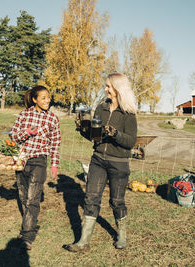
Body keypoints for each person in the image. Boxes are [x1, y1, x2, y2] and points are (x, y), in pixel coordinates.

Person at [67, 72, 138, 252]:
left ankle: (121, 235)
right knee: (91, 198)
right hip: (98, 159)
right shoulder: (101, 108)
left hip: (119, 162)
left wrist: (115, 133)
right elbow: (94, 137)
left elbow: (130, 142)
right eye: (105, 86)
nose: (105, 89)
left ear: (118, 88)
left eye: (108, 86)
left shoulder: (128, 113)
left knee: (116, 201)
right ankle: (83, 241)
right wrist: (83, 128)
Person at [10, 85, 61, 251]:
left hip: (39, 160)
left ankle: (27, 235)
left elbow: (55, 143)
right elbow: (14, 137)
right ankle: (28, 225)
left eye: (48, 97)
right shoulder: (24, 115)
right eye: (43, 97)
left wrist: (54, 164)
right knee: (23, 196)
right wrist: (27, 132)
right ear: (35, 99)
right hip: (21, 160)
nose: (47, 100)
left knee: (33, 199)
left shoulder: (52, 119)